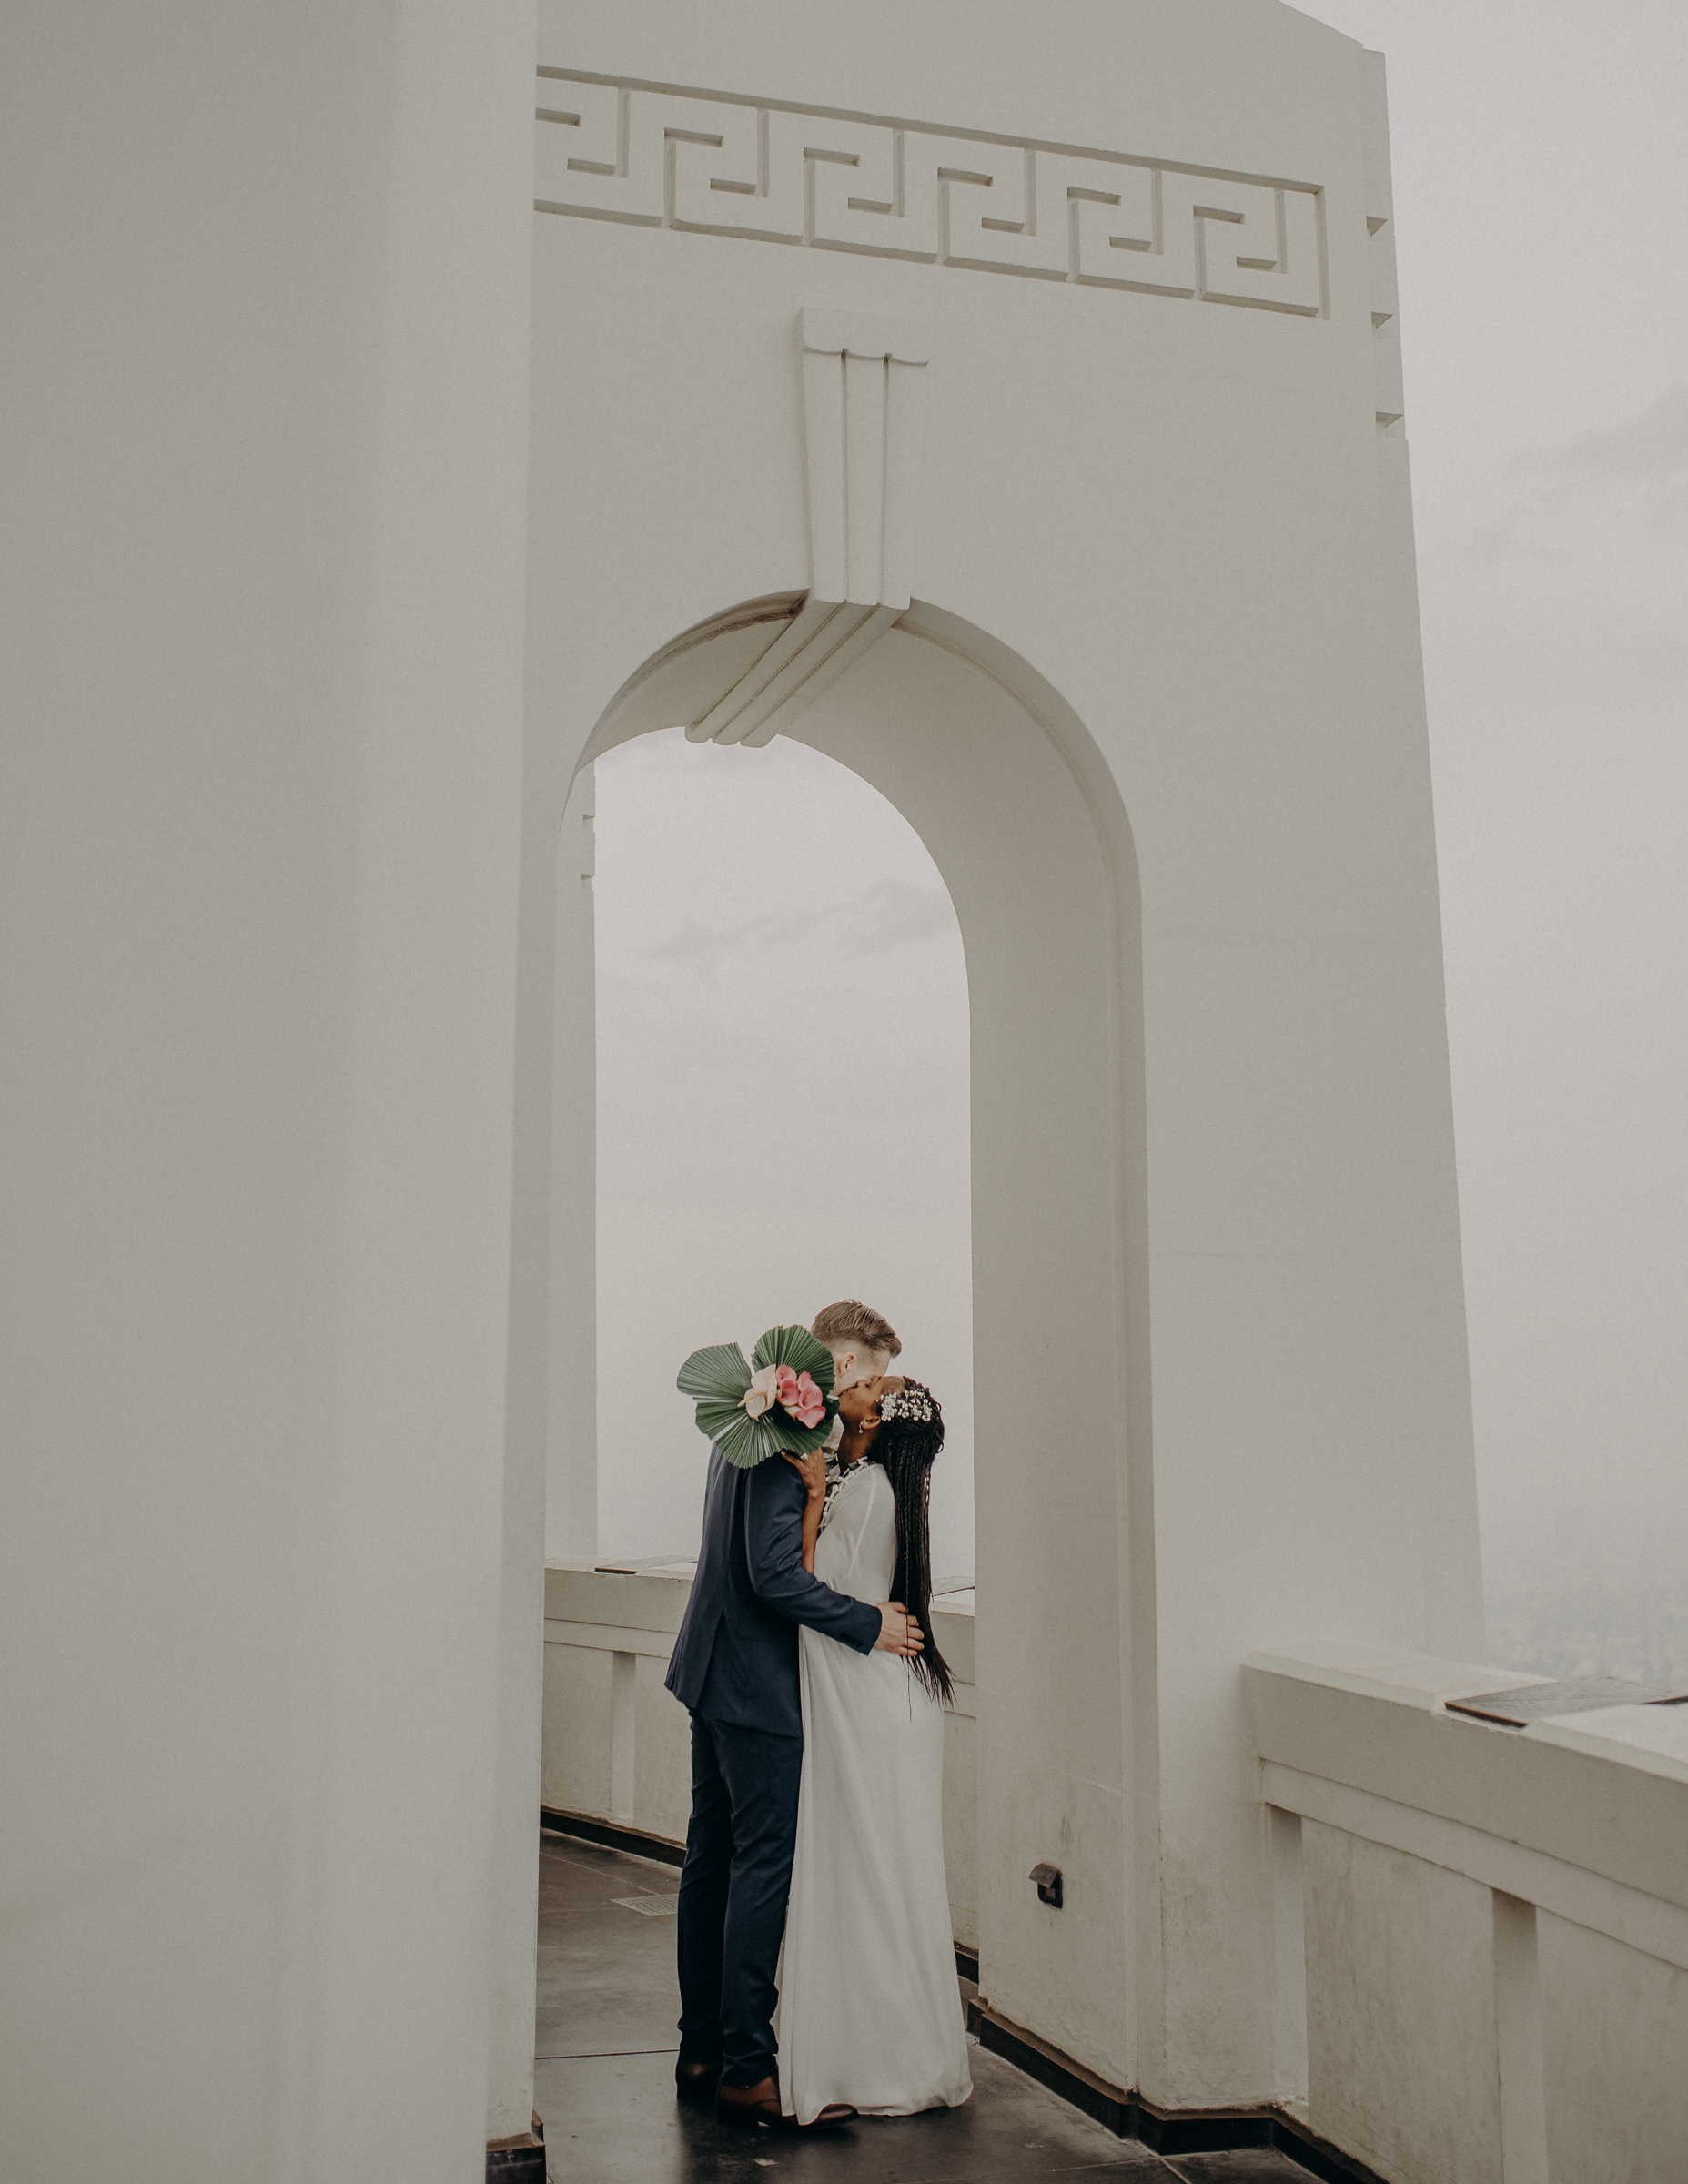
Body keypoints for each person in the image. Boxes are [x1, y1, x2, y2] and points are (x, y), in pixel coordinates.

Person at [663, 1302, 925, 2133]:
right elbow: (774, 1575)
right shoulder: (787, 1432)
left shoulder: (745, 1415)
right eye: (871, 1373)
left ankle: (700, 2046)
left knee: (711, 1858)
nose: (869, 1391)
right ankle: (745, 2067)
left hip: (710, 1666)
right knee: (759, 1865)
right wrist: (868, 1623)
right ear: (842, 1365)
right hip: (760, 1686)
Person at [776, 1372, 973, 2125]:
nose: (854, 1383)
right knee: (888, 1872)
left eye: (873, 1384)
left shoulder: (863, 1492)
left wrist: (817, 1498)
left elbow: (803, 1586)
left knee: (863, 1870)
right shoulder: (881, 1485)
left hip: (861, 1695)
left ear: (874, 1422)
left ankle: (873, 2059)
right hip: (881, 1694)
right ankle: (902, 2050)